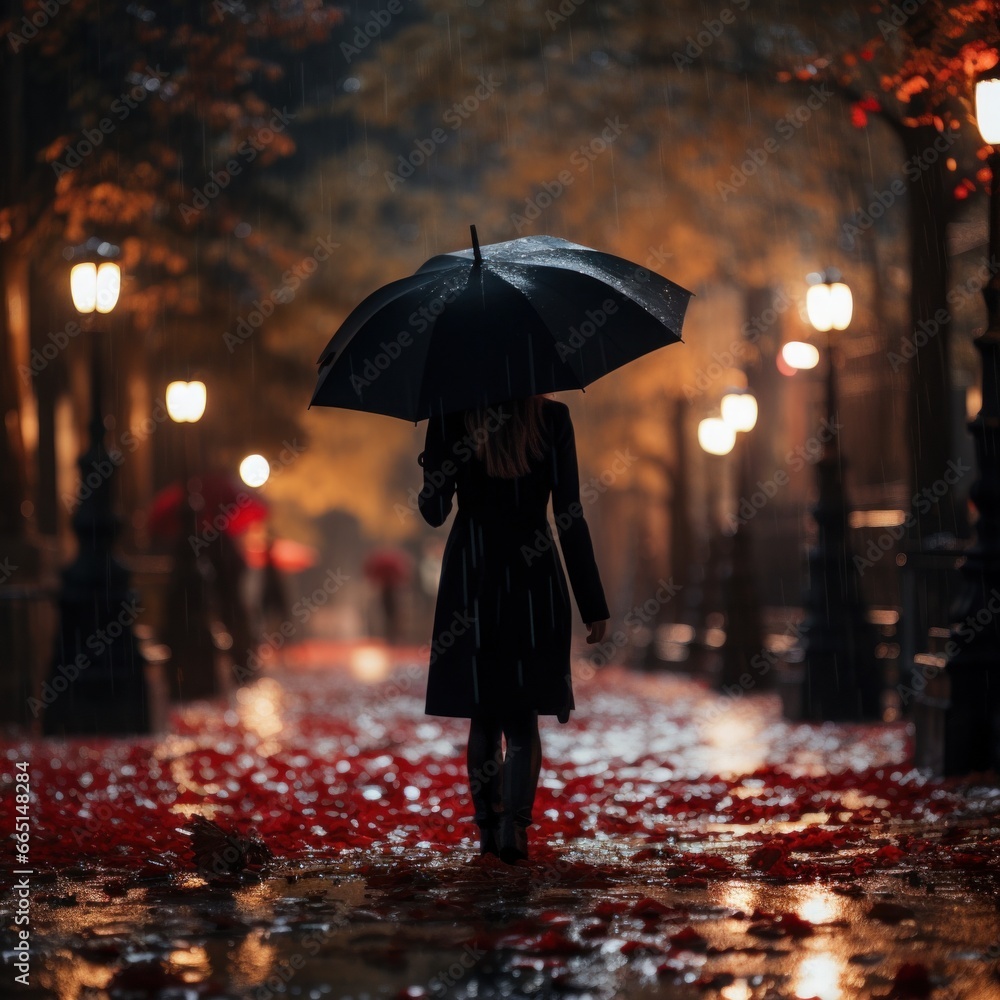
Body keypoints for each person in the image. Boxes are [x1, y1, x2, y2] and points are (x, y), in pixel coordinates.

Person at [417, 394, 610, 863]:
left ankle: (488, 831)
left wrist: (435, 460)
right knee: (522, 714)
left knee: (484, 709)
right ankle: (514, 832)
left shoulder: (452, 415)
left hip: (474, 571)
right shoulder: (552, 418)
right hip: (532, 572)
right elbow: (569, 513)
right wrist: (592, 603)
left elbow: (434, 510)